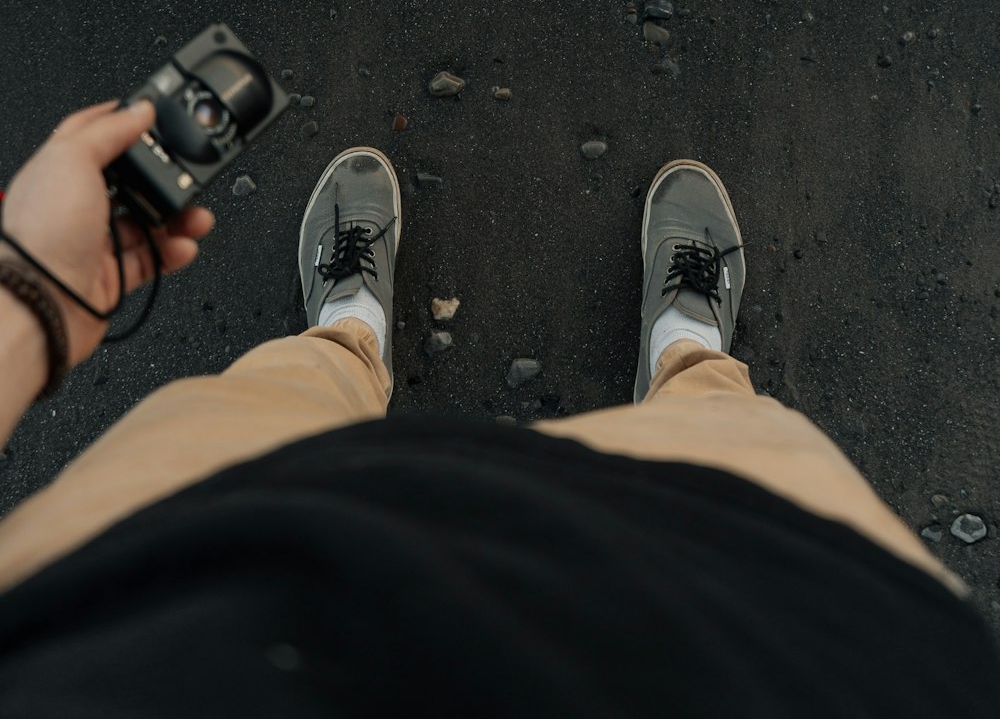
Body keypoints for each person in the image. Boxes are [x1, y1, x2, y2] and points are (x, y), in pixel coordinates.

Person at [0, 97, 995, 717]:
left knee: (271, 401)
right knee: (728, 440)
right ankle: (687, 354)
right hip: (754, 631)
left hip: (152, 583)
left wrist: (33, 296)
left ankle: (347, 333)